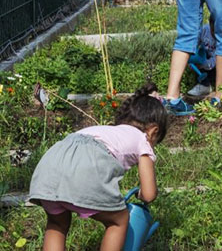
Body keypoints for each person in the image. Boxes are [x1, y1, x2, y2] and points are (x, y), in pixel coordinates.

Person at [29, 83, 167, 250]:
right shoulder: (142, 139)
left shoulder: (106, 130)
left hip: (50, 164)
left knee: (57, 224)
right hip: (84, 168)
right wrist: (141, 195)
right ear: (153, 131)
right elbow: (149, 194)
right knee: (119, 220)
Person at [187, 22, 222, 97]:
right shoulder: (204, 30)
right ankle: (204, 85)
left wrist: (203, 64)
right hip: (209, 66)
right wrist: (192, 60)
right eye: (213, 30)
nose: (215, 34)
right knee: (199, 55)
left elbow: (216, 60)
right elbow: (193, 45)